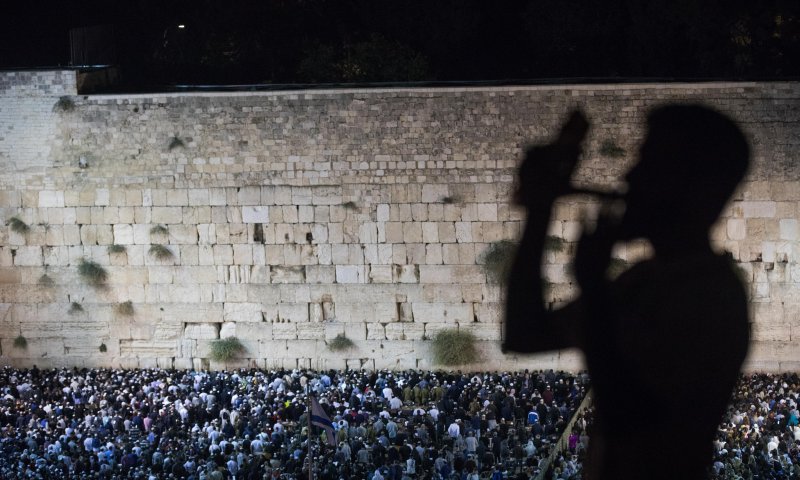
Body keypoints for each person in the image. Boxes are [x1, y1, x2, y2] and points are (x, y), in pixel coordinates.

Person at [504, 105, 751, 479]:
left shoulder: (712, 294)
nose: (630, 176)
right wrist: (539, 213)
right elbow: (525, 334)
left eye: (651, 164)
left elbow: (632, 416)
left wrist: (593, 286)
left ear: (695, 188)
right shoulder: (645, 281)